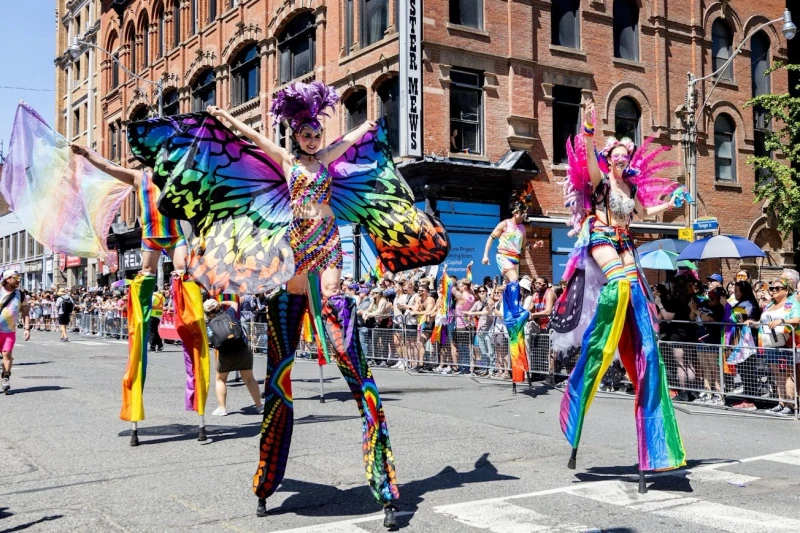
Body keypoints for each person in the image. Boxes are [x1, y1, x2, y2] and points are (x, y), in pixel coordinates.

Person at [206, 82, 404, 523]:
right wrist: (226, 119)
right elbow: (252, 139)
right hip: (294, 247)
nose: (313, 140)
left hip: (328, 241)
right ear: (296, 135)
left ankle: (383, 477)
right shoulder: (286, 160)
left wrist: (369, 122)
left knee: (334, 305)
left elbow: (352, 139)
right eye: (306, 135)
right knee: (282, 360)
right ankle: (267, 477)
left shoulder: (327, 158)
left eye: (317, 134)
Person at [550, 98, 685, 472]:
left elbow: (647, 214)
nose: (624, 158)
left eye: (628, 154)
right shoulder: (600, 182)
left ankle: (632, 333)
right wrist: (590, 130)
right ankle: (605, 326)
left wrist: (672, 201)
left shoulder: (631, 190)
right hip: (599, 239)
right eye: (619, 154)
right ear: (611, 158)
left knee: (636, 297)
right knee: (622, 284)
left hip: (625, 242)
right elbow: (589, 159)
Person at [70, 144, 209, 432]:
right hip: (150, 237)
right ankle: (145, 305)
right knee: (146, 273)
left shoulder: (177, 175)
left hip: (174, 236)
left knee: (183, 272)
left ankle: (183, 299)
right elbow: (109, 167)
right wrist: (86, 154)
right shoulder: (139, 178)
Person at [482, 185, 533, 384]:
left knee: (513, 285)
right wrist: (485, 255)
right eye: (523, 213)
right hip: (502, 256)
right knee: (514, 282)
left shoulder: (522, 228)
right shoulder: (505, 224)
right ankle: (515, 309)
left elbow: (524, 245)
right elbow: (490, 238)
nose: (524, 217)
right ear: (516, 212)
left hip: (515, 258)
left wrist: (532, 246)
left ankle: (513, 307)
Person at [204, 299, 263, 417]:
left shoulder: (208, 322)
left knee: (221, 379)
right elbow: (235, 303)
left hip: (225, 352)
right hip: (242, 348)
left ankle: (222, 408)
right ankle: (259, 406)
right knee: (249, 379)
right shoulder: (229, 313)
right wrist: (222, 302)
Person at [757, 278, 799, 416]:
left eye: (777, 288)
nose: (773, 290)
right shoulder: (770, 305)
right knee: (777, 374)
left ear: (786, 290)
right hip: (770, 342)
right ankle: (781, 403)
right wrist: (753, 322)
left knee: (788, 374)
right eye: (772, 288)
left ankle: (791, 404)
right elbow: (765, 320)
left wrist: (782, 321)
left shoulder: (791, 303)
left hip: (786, 342)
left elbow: (798, 319)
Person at [0, 270, 31, 393]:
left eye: (19, 277)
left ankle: (6, 377)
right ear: (7, 279)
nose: (19, 280)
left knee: (7, 354)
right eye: (16, 277)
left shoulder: (21, 295)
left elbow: (25, 312)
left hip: (9, 331)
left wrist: (27, 328)